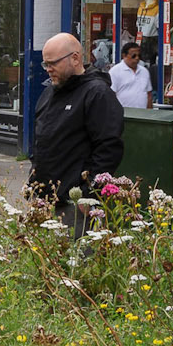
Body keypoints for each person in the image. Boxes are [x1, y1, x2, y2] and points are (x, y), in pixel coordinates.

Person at [29, 32, 125, 221]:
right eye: (45, 64)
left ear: (75, 58)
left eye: (53, 63)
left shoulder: (97, 94)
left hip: (75, 204)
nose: (48, 69)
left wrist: (87, 195)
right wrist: (33, 185)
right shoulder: (49, 93)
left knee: (77, 250)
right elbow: (41, 141)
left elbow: (108, 148)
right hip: (45, 198)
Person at [110, 40, 153, 111]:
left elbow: (149, 94)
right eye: (134, 56)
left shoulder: (144, 71)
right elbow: (111, 95)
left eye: (139, 55)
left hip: (143, 114)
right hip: (123, 115)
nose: (137, 58)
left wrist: (150, 113)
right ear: (124, 56)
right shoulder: (115, 71)